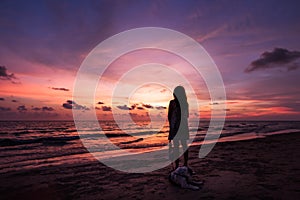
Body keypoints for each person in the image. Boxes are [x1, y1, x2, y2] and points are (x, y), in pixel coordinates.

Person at [168, 86, 189, 169]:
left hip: (176, 127)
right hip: (181, 126)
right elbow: (186, 116)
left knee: (178, 146)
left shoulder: (174, 103)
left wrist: (171, 128)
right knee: (183, 145)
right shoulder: (184, 103)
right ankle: (184, 164)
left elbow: (169, 116)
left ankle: (179, 165)